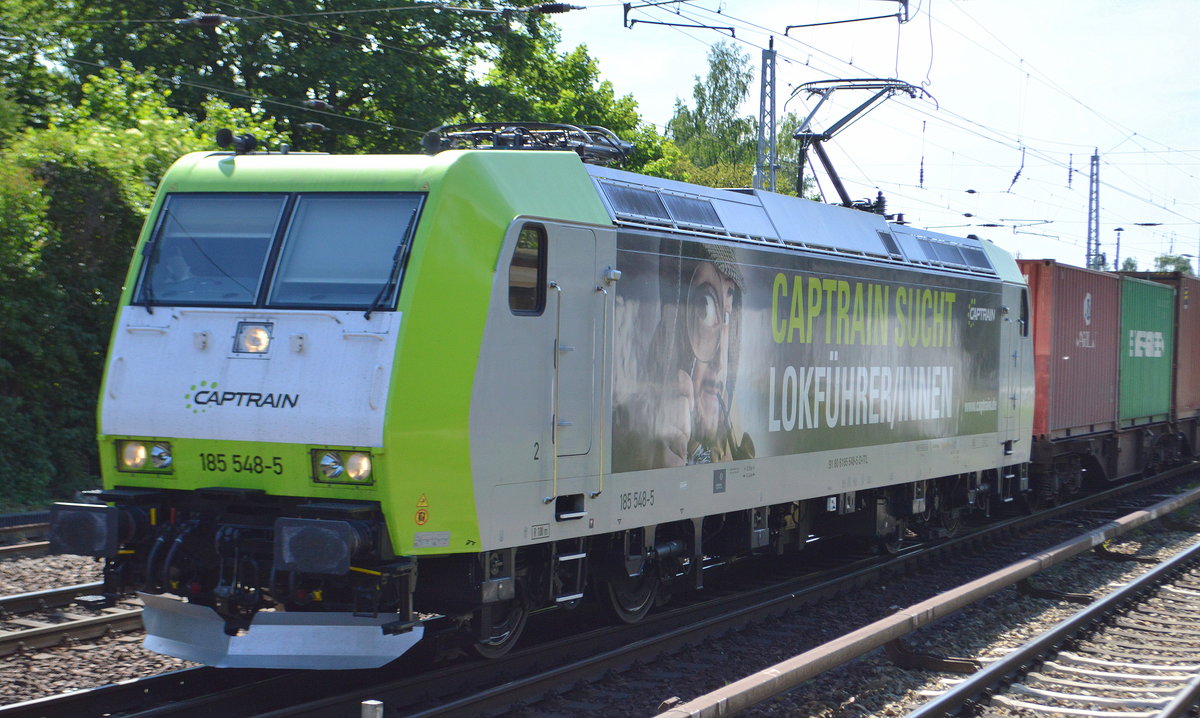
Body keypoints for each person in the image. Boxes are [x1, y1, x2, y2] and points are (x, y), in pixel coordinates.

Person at [613, 239, 754, 471]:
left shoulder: (736, 442)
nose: (721, 364)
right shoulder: (630, 429)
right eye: (704, 307)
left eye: (728, 316)